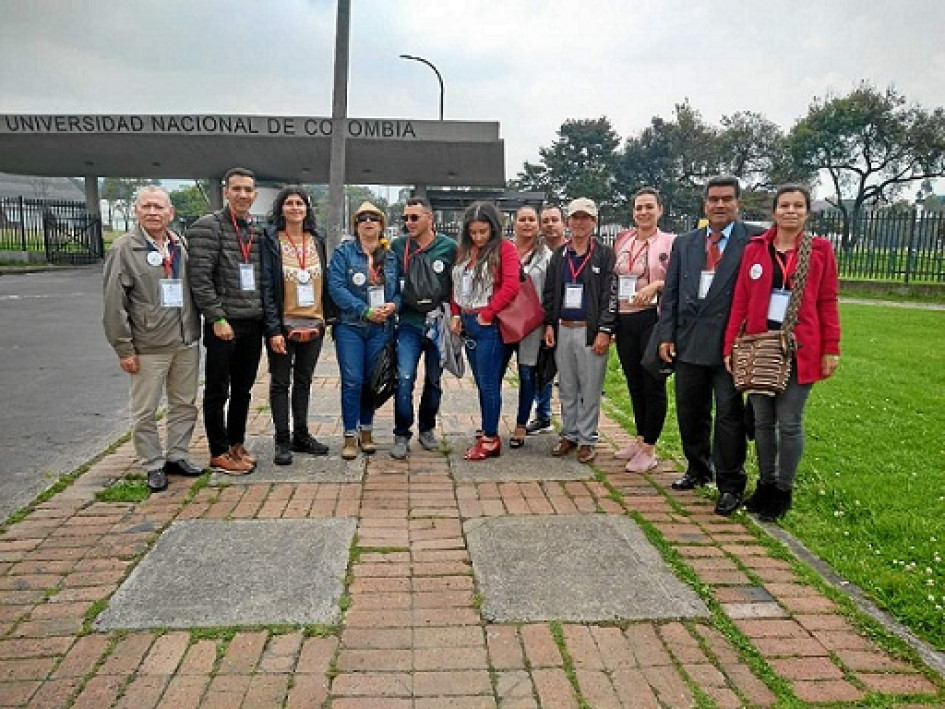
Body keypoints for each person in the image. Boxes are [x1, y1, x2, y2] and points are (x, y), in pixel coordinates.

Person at [723, 184, 841, 521]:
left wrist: (831, 348)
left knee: (789, 422)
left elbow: (828, 301)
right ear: (774, 211)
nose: (791, 211)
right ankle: (765, 483)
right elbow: (741, 300)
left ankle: (783, 490)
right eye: (785, 205)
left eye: (798, 206)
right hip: (760, 344)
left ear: (806, 212)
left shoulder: (819, 250)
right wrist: (731, 343)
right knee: (762, 421)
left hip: (800, 346)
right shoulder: (756, 249)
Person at [655, 175, 764, 516]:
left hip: (730, 345)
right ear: (704, 204)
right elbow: (670, 292)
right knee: (690, 409)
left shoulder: (755, 240)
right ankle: (698, 468)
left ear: (737, 203)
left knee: (729, 415)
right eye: (713, 199)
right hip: (688, 340)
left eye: (726, 199)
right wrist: (666, 334)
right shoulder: (686, 243)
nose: (719, 205)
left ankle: (730, 484)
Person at [103, 186, 202, 491]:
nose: (152, 212)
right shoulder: (124, 249)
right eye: (146, 206)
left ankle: (177, 455)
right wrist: (124, 347)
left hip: (185, 341)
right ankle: (152, 464)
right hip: (148, 345)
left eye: (159, 207)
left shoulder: (179, 245)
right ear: (136, 211)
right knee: (145, 410)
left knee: (184, 403)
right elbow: (113, 304)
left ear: (170, 213)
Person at [187, 167, 264, 474]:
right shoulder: (208, 227)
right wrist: (216, 316)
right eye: (237, 189)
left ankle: (236, 443)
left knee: (244, 389)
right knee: (218, 389)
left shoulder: (255, 230)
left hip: (252, 322)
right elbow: (200, 279)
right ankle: (218, 450)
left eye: (248, 189)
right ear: (225, 191)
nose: (243, 195)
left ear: (254, 195)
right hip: (224, 322)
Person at [260, 186, 334, 465]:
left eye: (300, 203)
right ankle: (282, 439)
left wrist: (327, 316)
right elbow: (267, 286)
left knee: (303, 381)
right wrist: (273, 329)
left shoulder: (317, 239)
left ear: (307, 209)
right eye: (289, 203)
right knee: (280, 382)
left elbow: (323, 280)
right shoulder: (271, 240)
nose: (295, 208)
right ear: (281, 208)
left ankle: (301, 434)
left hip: (313, 321)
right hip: (284, 323)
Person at [542, 197, 618, 464]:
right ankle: (570, 434)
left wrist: (605, 330)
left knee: (590, 387)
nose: (579, 223)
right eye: (575, 217)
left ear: (594, 222)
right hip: (563, 327)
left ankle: (587, 438)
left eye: (585, 217)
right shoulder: (560, 255)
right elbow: (550, 293)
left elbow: (611, 293)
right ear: (568, 222)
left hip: (590, 330)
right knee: (568, 386)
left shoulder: (604, 254)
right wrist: (549, 324)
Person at [328, 201, 400, 460]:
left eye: (373, 218)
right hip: (351, 326)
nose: (368, 222)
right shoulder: (343, 254)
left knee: (371, 381)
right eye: (362, 218)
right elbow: (336, 288)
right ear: (356, 225)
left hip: (381, 327)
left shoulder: (391, 257)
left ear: (381, 224)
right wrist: (363, 310)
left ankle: (366, 431)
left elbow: (401, 292)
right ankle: (349, 434)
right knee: (352, 380)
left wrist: (393, 305)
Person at [449, 201, 520, 459]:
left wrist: (488, 314)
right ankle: (488, 427)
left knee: (489, 383)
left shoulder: (505, 249)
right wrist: (456, 313)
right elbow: (456, 284)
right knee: (481, 381)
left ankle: (490, 438)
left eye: (483, 232)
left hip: (488, 325)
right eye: (473, 232)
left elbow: (511, 286)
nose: (478, 237)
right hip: (467, 322)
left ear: (494, 229)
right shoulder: (465, 252)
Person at [612, 187, 676, 472]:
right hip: (625, 319)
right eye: (638, 207)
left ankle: (650, 447)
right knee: (634, 381)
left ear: (660, 210)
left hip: (652, 318)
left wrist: (655, 286)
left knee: (653, 382)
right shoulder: (623, 239)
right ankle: (639, 439)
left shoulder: (670, 243)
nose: (643, 212)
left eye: (649, 207)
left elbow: (677, 281)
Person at [389, 197, 458, 459]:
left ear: (430, 218)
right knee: (404, 378)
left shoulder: (448, 247)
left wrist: (454, 317)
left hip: (437, 323)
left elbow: (455, 284)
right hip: (408, 323)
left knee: (433, 379)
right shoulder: (398, 246)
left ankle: (427, 428)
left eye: (414, 217)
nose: (409, 222)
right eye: (405, 218)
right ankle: (401, 432)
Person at [502, 205, 552, 447]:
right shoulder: (503, 250)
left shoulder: (546, 255)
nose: (527, 224)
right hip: (504, 320)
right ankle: (489, 421)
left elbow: (551, 292)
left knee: (526, 372)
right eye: (522, 219)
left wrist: (549, 325)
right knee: (494, 373)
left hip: (533, 323)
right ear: (514, 222)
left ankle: (521, 424)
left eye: (532, 219)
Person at [526, 204, 568, 435]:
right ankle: (543, 415)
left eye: (555, 220)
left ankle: (573, 422)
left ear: (563, 223)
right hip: (542, 320)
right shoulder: (536, 252)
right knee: (542, 368)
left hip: (571, 319)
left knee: (571, 374)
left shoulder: (573, 250)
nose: (550, 225)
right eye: (546, 221)